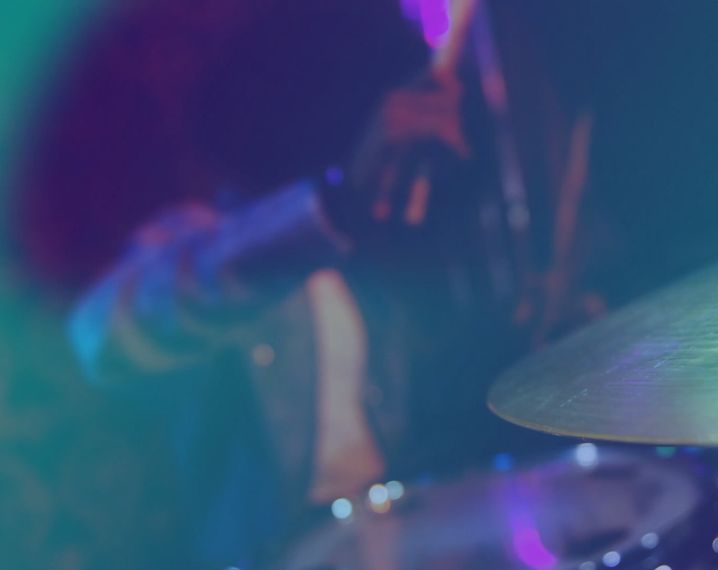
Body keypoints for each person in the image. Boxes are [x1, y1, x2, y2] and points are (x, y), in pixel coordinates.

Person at [63, 2, 475, 566]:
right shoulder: (211, 240)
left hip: (396, 538)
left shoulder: (382, 242)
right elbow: (100, 336)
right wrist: (331, 205)